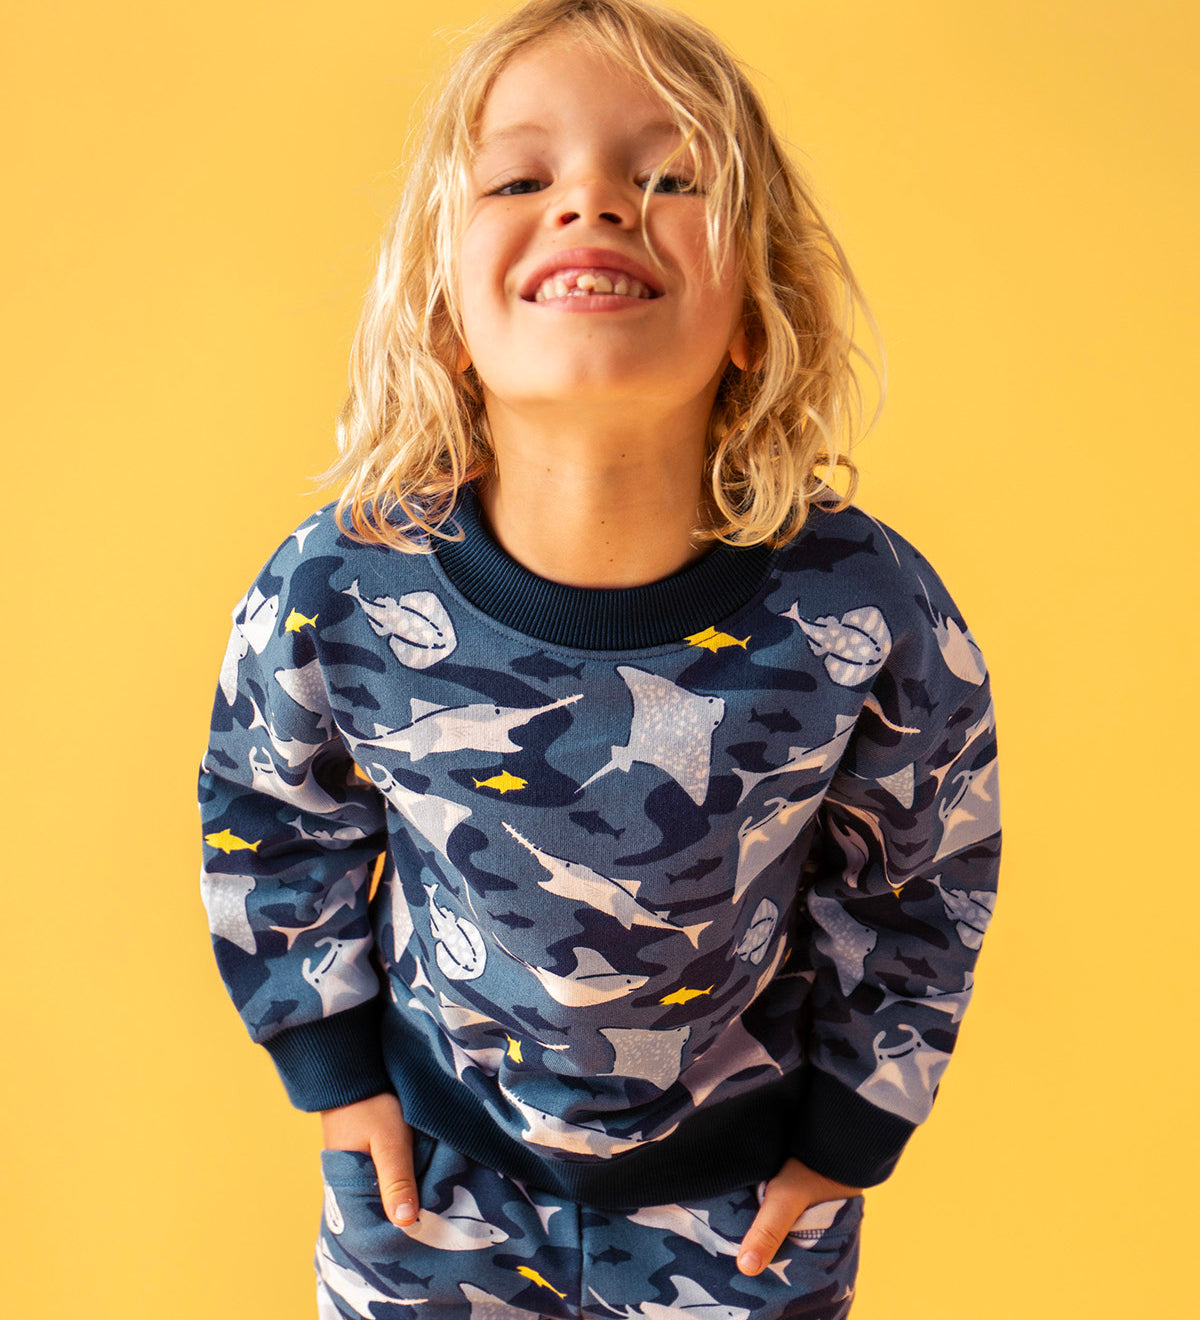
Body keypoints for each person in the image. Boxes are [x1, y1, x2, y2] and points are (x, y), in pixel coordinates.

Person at [198, 2, 1000, 1316]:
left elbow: (924, 873)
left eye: (670, 177)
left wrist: (853, 1135)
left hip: (743, 1213)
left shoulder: (865, 606)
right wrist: (330, 1068)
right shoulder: (335, 586)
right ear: (445, 308)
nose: (595, 204)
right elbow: (267, 822)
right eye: (522, 177)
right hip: (432, 1191)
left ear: (757, 309)